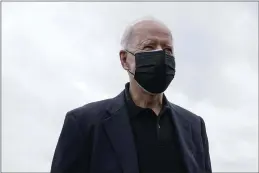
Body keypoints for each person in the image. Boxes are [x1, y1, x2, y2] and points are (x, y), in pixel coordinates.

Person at [50, 17, 212, 173]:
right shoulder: (84, 124)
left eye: (168, 49)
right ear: (124, 59)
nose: (161, 55)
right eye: (148, 47)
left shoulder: (194, 126)